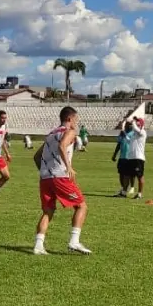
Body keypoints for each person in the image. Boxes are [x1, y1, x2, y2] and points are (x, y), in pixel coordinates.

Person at [33, 107, 91, 255]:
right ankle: (74, 241)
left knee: (48, 211)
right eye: (76, 119)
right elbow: (62, 145)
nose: (77, 123)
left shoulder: (51, 134)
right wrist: (68, 167)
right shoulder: (70, 131)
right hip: (60, 176)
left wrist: (45, 171)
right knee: (81, 206)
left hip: (45, 178)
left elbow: (36, 156)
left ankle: (38, 245)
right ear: (70, 119)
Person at [124, 117, 147, 199]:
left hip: (138, 158)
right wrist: (124, 133)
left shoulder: (142, 132)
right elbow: (129, 141)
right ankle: (124, 192)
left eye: (138, 122)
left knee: (140, 176)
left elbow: (136, 128)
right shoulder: (134, 134)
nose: (136, 123)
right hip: (131, 158)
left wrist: (133, 121)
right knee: (128, 175)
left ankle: (139, 194)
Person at [111, 122, 133, 197]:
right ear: (125, 126)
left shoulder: (134, 134)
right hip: (122, 157)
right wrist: (114, 154)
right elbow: (119, 144)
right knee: (121, 174)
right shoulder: (122, 133)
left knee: (127, 175)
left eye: (131, 125)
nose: (130, 126)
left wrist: (125, 135)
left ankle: (126, 190)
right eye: (128, 125)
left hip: (129, 157)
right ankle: (123, 189)